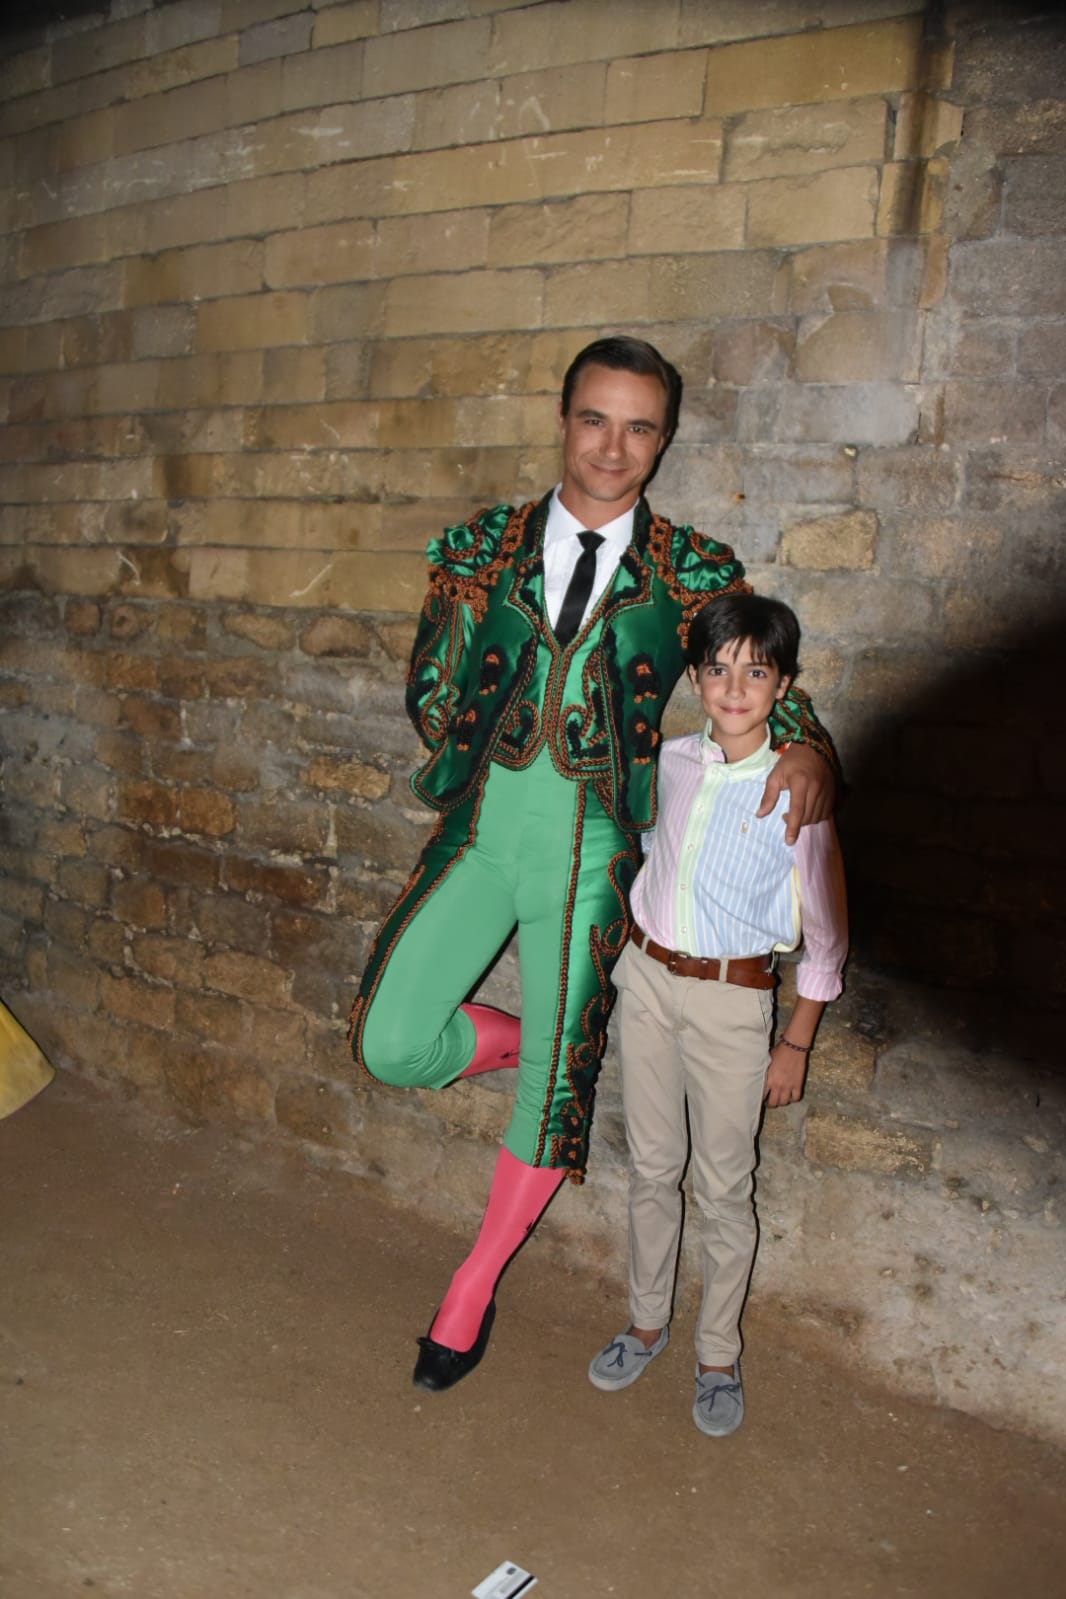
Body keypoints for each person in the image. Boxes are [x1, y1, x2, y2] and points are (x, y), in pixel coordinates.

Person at [348, 336, 838, 1393]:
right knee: (387, 1039)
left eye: (640, 427)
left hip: (593, 851)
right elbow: (431, 681)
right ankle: (541, 1052)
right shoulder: (480, 543)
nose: (613, 448)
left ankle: (470, 1289)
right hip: (486, 830)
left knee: (549, 1096)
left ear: (662, 440)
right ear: (563, 419)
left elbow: (764, 688)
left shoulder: (692, 568)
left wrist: (805, 747)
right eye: (594, 419)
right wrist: (472, 743)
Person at [587, 592, 848, 1436]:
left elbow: (827, 935)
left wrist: (796, 1043)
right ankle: (646, 1320)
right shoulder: (669, 761)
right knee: (652, 1168)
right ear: (697, 679)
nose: (735, 686)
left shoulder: (796, 791)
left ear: (782, 686)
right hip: (651, 981)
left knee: (725, 1188)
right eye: (719, 668)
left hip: (735, 1003)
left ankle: (716, 1354)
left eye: (756, 671)